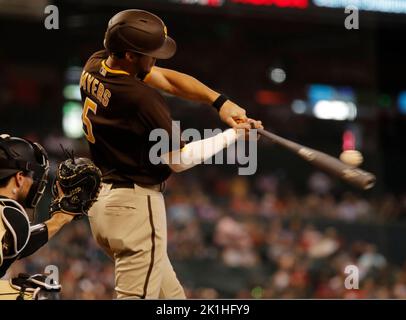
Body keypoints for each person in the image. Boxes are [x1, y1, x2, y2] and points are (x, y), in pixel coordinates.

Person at [80, 9, 263, 299]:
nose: (155, 59)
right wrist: (235, 136)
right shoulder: (142, 99)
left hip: (104, 205)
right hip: (135, 206)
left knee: (172, 299)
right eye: (149, 53)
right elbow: (179, 160)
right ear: (129, 55)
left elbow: (167, 80)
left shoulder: (96, 64)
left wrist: (220, 102)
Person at [0, 134, 74, 299]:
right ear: (19, 178)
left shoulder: (7, 216)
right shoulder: (7, 214)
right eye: (31, 176)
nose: (34, 182)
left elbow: (10, 247)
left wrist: (60, 218)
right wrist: (20, 295)